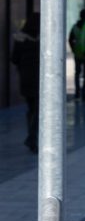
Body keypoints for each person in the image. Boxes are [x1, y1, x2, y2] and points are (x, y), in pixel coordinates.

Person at [11, 13, 40, 153]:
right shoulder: (42, 40)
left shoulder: (20, 40)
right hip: (40, 80)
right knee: (38, 109)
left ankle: (32, 137)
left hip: (26, 79)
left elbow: (14, 58)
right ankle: (32, 137)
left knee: (32, 109)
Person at [69, 8, 85, 99]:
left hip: (77, 52)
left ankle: (77, 91)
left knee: (77, 73)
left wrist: (73, 49)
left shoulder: (75, 26)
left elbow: (70, 39)